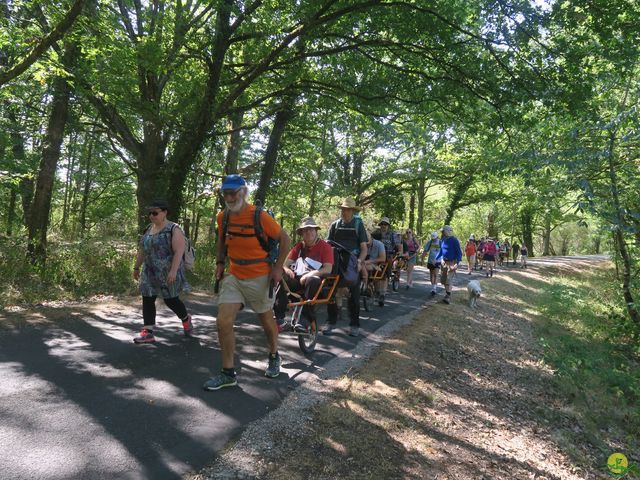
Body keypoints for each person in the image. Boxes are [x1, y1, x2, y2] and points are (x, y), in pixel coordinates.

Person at [203, 174, 290, 391]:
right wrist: (220, 262)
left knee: (266, 321)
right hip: (234, 275)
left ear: (243, 192)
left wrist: (278, 267)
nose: (230, 197)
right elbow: (222, 240)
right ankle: (228, 372)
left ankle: (273, 354)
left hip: (260, 275)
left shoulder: (259, 216)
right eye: (226, 193)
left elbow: (285, 238)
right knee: (223, 321)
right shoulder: (223, 217)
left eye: (233, 192)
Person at [132, 200, 193, 344]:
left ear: (165, 212)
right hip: (149, 271)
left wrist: (173, 271)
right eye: (150, 213)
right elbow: (142, 250)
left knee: (171, 300)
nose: (152, 216)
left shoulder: (174, 229)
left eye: (155, 213)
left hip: (168, 271)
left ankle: (186, 318)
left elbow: (179, 251)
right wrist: (136, 267)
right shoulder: (148, 229)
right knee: (147, 298)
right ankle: (148, 332)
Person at [273, 217, 333, 333]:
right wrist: (286, 269)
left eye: (311, 229)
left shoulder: (325, 247)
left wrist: (310, 274)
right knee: (279, 273)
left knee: (313, 279)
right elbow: (285, 264)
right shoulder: (299, 247)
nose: (308, 232)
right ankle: (279, 318)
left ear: (316, 231)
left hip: (315, 284)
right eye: (305, 230)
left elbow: (328, 268)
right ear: (301, 233)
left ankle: (304, 320)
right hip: (296, 281)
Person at [324, 197, 368, 337]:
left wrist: (360, 262)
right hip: (336, 261)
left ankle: (354, 325)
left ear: (352, 211)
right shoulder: (335, 225)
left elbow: (364, 248)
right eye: (343, 209)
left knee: (354, 296)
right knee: (330, 292)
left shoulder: (358, 225)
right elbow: (327, 246)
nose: (344, 212)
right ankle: (331, 321)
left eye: (347, 209)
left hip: (353, 263)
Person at [436, 225, 462, 304]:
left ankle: (448, 296)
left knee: (449, 280)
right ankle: (447, 294)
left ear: (446, 231)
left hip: (452, 263)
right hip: (444, 262)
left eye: (443, 231)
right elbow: (441, 251)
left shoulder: (454, 240)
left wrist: (457, 264)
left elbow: (459, 253)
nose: (442, 232)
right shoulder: (443, 240)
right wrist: (436, 259)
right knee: (443, 280)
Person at [364, 230, 387, 305]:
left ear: (371, 238)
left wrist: (370, 262)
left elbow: (383, 258)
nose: (366, 245)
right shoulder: (361, 244)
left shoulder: (379, 244)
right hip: (364, 265)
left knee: (381, 274)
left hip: (377, 265)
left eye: (368, 243)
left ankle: (381, 294)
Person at [421, 231, 441, 296]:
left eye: (434, 238)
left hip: (438, 261)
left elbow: (444, 251)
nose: (433, 239)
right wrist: (422, 259)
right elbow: (425, 250)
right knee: (431, 275)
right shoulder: (430, 242)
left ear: (437, 237)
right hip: (430, 261)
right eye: (432, 238)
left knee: (436, 274)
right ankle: (433, 287)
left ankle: (434, 289)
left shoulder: (440, 242)